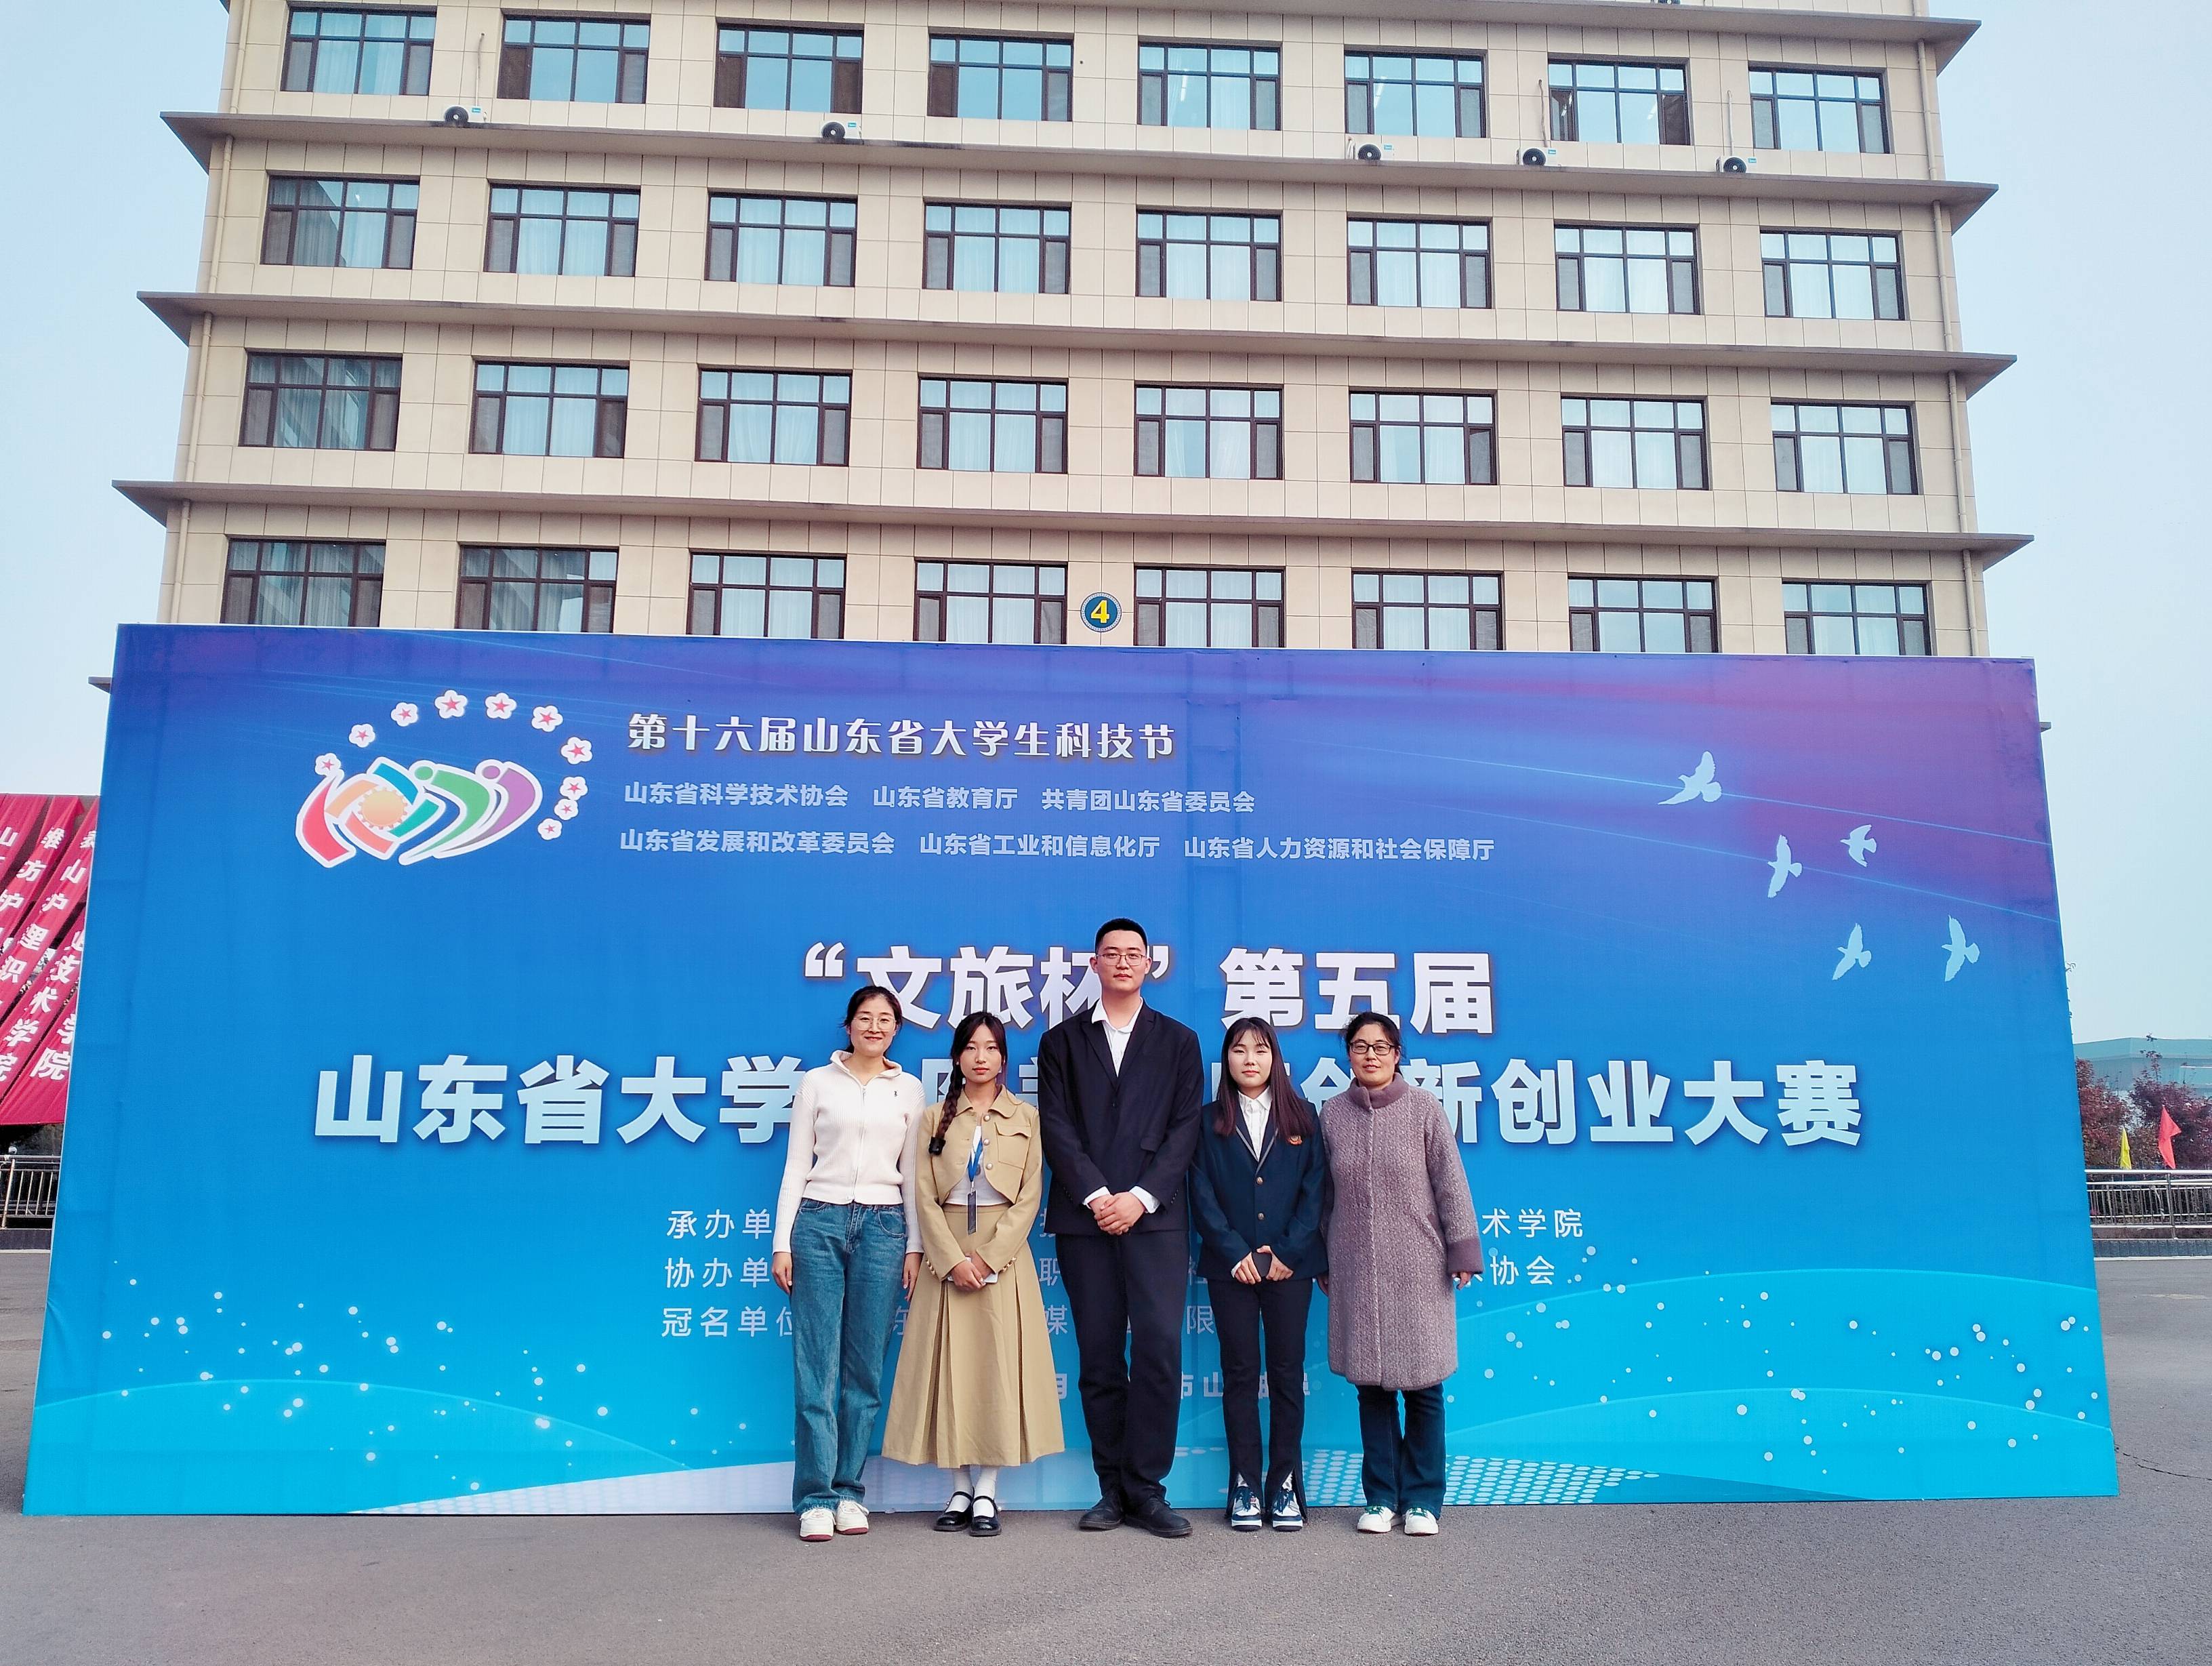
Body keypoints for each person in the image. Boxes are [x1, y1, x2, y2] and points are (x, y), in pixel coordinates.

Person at [1037, 916, 1204, 1537]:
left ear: (1150, 964)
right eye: (1112, 953)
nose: (1124, 962)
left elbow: (1186, 1129)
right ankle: (1111, 1489)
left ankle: (1148, 1490)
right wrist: (1098, 1195)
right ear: (1095, 963)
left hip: (1156, 1221)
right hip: (1086, 1221)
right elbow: (1056, 1126)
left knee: (1158, 1350)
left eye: (1135, 954)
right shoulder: (1061, 1042)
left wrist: (1139, 1197)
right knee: (1100, 1356)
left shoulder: (1179, 1041)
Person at [882, 1011, 1065, 1536]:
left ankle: (988, 1489)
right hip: (947, 1257)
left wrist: (987, 1259)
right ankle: (959, 1487)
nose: (980, 1057)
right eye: (970, 1047)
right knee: (950, 1371)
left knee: (996, 1371)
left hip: (1002, 1256)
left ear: (1003, 1059)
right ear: (957, 1057)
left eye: (990, 1048)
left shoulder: (1027, 1118)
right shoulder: (933, 1118)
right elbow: (922, 1194)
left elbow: (1030, 1197)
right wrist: (952, 1259)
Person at [771, 986, 926, 1542]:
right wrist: (781, 1241)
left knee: (864, 1370)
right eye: (865, 1017)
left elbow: (913, 1174)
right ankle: (815, 1498)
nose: (874, 1026)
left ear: (897, 1029)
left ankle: (849, 1492)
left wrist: (914, 1246)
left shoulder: (910, 1089)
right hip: (818, 1221)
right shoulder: (817, 1082)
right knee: (816, 1366)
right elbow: (796, 1164)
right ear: (848, 1025)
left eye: (885, 1019)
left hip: (885, 1229)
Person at [1317, 1011, 1481, 1538]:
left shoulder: (1424, 1109)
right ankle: (1382, 1498)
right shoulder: (1332, 1115)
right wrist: (1322, 1257)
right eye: (1361, 1046)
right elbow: (1323, 1195)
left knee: (1424, 1387)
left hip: (1419, 1266)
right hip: (1355, 1267)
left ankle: (1424, 1501)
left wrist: (1462, 1251)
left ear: (1397, 1054)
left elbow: (1451, 1183)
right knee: (1372, 1388)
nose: (1371, 1055)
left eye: (1382, 1047)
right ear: (1348, 1054)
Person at [1187, 1015, 1327, 1532]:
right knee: (1241, 1374)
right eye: (1240, 1050)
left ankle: (1284, 1483)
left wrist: (1287, 1251)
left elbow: (1316, 1190)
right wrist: (1233, 1251)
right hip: (1233, 1269)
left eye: (1261, 1050)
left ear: (1275, 1059)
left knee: (1287, 1374)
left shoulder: (1303, 1116)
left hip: (1292, 1268)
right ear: (1226, 1060)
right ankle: (1245, 1484)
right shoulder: (1207, 1121)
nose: (1250, 1060)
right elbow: (1200, 1193)